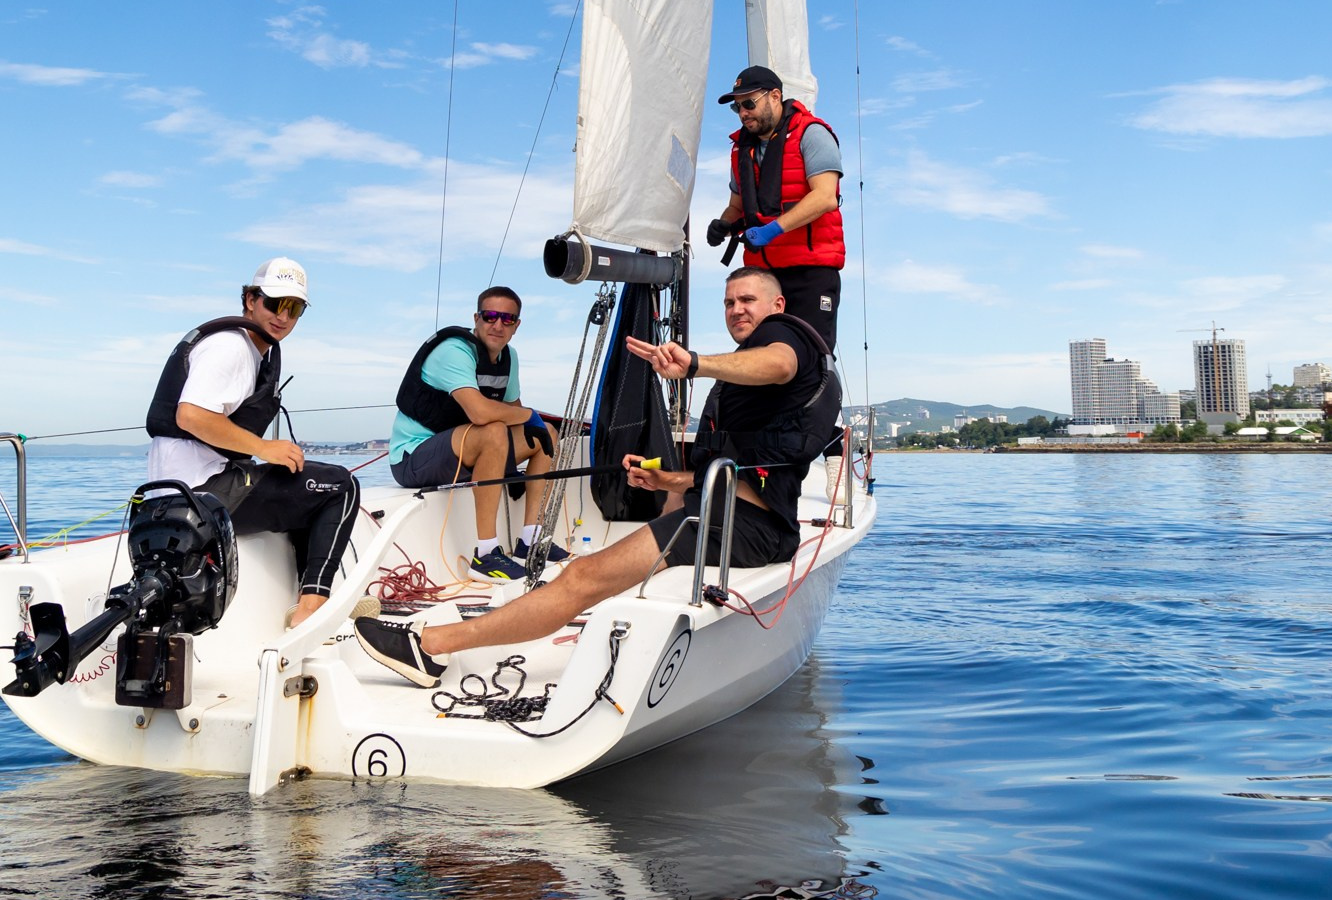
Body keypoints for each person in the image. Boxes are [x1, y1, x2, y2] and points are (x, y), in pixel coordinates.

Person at [356, 266, 839, 686]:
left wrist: (695, 364)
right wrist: (667, 482)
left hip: (741, 528)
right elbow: (736, 470)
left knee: (582, 575)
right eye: (729, 302)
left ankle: (430, 646)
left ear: (776, 305)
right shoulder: (745, 374)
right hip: (724, 517)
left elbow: (779, 363)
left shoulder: (783, 337)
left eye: (747, 300)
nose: (736, 310)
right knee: (594, 567)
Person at [145, 258, 360, 630]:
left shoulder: (248, 349)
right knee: (340, 486)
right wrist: (264, 448)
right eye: (275, 304)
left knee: (300, 482)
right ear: (250, 299)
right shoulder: (231, 348)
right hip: (200, 497)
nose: (283, 317)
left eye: (294, 309)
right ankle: (312, 611)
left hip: (186, 493)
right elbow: (191, 416)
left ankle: (309, 596)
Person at [387, 287, 564, 579]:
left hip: (461, 452)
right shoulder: (454, 351)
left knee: (544, 434)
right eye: (490, 316)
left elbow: (513, 412)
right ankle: (485, 555)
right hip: (413, 459)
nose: (498, 325)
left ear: (517, 325)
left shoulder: (509, 357)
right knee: (493, 431)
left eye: (507, 319)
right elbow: (480, 413)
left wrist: (526, 427)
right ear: (476, 318)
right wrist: (528, 414)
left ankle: (531, 541)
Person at [708, 64, 845, 350]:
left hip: (810, 273)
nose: (743, 113)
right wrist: (724, 225)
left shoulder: (812, 134)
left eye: (749, 103)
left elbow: (825, 197)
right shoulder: (740, 149)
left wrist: (772, 230)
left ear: (774, 96)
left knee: (809, 354)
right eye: (737, 108)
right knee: (758, 354)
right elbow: (736, 206)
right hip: (763, 275)